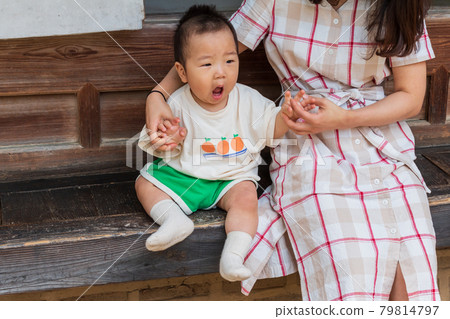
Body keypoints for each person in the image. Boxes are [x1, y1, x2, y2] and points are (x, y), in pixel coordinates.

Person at [144, 0, 440, 301]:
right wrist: (158, 97)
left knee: (409, 259)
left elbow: (411, 97)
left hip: (381, 142)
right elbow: (208, 49)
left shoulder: (399, 4)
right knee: (351, 260)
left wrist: (346, 118)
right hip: (307, 140)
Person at [135, 5, 305, 283]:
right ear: (183, 71)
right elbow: (158, 141)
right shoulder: (177, 103)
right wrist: (170, 140)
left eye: (229, 61)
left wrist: (287, 115)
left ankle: (233, 256)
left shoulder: (248, 100)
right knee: (145, 183)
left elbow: (270, 127)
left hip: (231, 179)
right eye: (206, 64)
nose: (221, 73)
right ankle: (173, 220)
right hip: (184, 176)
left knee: (248, 199)